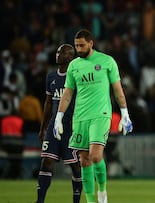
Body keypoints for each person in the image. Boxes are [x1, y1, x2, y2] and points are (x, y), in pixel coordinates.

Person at [53, 29, 133, 203]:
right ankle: (90, 200)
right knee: (84, 161)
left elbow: (117, 89)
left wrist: (124, 113)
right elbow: (67, 94)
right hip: (80, 116)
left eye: (82, 45)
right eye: (76, 46)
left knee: (96, 156)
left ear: (91, 43)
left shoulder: (106, 61)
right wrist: (58, 117)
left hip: (101, 114)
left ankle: (102, 193)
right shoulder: (74, 65)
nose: (79, 49)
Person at [36, 44, 82, 203]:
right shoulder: (51, 77)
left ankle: (76, 200)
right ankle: (40, 201)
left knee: (76, 167)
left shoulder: (77, 76)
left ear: (70, 56)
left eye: (62, 52)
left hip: (71, 128)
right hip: (54, 127)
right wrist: (43, 128)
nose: (58, 54)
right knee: (46, 161)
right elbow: (48, 103)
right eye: (57, 52)